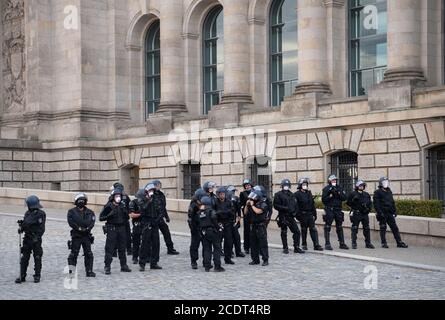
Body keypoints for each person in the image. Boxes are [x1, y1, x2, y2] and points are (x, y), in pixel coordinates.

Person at [99, 187, 132, 275]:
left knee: (122, 247)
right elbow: (101, 218)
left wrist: (126, 214)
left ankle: (123, 265)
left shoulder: (122, 205)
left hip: (121, 228)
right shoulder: (108, 206)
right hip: (112, 228)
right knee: (109, 248)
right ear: (113, 197)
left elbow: (127, 218)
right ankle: (107, 266)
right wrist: (109, 215)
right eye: (117, 196)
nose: (118, 197)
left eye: (119, 196)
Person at [15, 196, 46, 284]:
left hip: (36, 238)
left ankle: (37, 275)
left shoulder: (41, 214)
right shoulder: (27, 213)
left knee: (37, 257)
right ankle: (22, 275)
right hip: (27, 238)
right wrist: (21, 227)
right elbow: (26, 224)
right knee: (24, 258)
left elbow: (41, 228)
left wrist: (37, 236)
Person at [373, 177, 408, 249]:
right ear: (380, 184)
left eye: (387, 182)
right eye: (384, 182)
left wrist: (394, 211)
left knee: (395, 228)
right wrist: (380, 213)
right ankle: (384, 243)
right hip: (382, 213)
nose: (386, 183)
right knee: (383, 228)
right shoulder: (377, 192)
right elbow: (376, 204)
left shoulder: (389, 191)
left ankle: (399, 242)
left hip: (389, 213)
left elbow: (392, 202)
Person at [67, 193, 96, 277]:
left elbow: (92, 222)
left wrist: (87, 229)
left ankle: (89, 271)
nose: (81, 202)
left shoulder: (90, 212)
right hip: (76, 235)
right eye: (79, 201)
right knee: (73, 254)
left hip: (86, 236)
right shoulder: (71, 212)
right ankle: (72, 272)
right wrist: (79, 228)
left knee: (89, 253)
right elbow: (71, 222)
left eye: (83, 200)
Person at [273, 179, 304, 254]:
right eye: (285, 185)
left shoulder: (292, 194)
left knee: (297, 231)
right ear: (282, 186)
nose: (286, 187)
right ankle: (285, 248)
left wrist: (295, 212)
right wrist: (285, 208)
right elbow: (275, 205)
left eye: (287, 185)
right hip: (283, 216)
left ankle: (296, 247)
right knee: (284, 232)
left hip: (291, 216)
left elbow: (296, 205)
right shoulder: (278, 194)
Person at [139, 183, 163, 271]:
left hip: (154, 222)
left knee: (156, 243)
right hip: (146, 222)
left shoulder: (157, 199)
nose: (151, 192)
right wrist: (148, 201)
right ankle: (142, 263)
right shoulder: (143, 199)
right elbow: (142, 209)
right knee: (145, 243)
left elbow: (161, 210)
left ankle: (154, 262)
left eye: (152, 190)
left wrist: (157, 220)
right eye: (150, 190)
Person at [151, 180, 179, 255]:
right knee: (153, 236)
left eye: (159, 185)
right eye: (157, 185)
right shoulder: (151, 194)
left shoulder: (161, 194)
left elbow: (163, 207)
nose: (159, 186)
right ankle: (151, 251)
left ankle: (170, 249)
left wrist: (166, 217)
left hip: (160, 218)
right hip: (153, 218)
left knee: (166, 233)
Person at [294, 178, 323, 251]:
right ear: (300, 185)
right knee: (304, 229)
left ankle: (316, 244)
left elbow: (312, 205)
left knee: (313, 229)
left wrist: (314, 214)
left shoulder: (309, 193)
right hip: (302, 214)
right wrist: (298, 216)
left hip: (309, 214)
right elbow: (295, 206)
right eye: (303, 184)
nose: (305, 186)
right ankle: (304, 244)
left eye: (306, 184)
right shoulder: (297, 194)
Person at [322, 175, 349, 250]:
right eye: (333, 180)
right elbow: (324, 200)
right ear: (329, 181)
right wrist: (330, 195)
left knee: (339, 227)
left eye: (335, 180)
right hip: (330, 209)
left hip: (338, 209)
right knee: (327, 227)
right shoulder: (326, 189)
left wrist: (338, 193)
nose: (334, 181)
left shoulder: (339, 188)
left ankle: (342, 243)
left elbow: (344, 198)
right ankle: (327, 243)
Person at [199, 196, 225, 272]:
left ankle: (207, 266)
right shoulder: (211, 211)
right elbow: (214, 218)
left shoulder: (200, 212)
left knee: (207, 249)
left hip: (204, 232)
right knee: (217, 248)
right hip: (213, 231)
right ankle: (217, 266)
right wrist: (218, 227)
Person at [347, 180, 375, 249]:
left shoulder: (366, 194)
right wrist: (353, 200)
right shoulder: (353, 194)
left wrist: (368, 209)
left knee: (366, 228)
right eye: (360, 185)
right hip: (356, 213)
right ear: (357, 186)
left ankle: (368, 243)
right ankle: (354, 243)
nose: (361, 187)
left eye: (363, 185)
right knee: (354, 228)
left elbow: (370, 204)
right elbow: (348, 203)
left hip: (364, 214)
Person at [245, 190, 269, 266]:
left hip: (261, 226)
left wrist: (252, 206)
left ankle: (265, 260)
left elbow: (258, 211)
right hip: (253, 226)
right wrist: (247, 205)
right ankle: (255, 260)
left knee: (263, 243)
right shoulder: (252, 204)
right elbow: (245, 213)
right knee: (253, 244)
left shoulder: (263, 204)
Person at [215, 186, 235, 265]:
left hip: (227, 224)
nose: (221, 195)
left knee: (229, 242)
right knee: (217, 242)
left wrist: (223, 212)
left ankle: (228, 258)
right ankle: (217, 259)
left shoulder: (229, 202)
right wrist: (223, 212)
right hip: (219, 224)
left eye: (223, 194)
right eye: (220, 194)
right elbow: (215, 213)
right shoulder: (215, 202)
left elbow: (232, 212)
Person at [188, 188, 207, 269]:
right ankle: (194, 261)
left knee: (206, 245)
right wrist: (193, 229)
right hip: (196, 227)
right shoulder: (193, 205)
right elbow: (190, 218)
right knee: (194, 246)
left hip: (204, 227)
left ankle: (206, 261)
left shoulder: (205, 204)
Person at [112, 182, 132, 256]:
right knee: (127, 235)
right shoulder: (125, 196)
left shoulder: (113, 196)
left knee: (115, 235)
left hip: (117, 220)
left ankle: (114, 251)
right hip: (124, 218)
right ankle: (129, 250)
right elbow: (130, 206)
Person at [226, 185, 245, 258]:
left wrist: (239, 219)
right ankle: (229, 252)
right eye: (232, 191)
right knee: (228, 238)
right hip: (227, 221)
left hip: (234, 221)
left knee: (237, 237)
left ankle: (238, 251)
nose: (233, 193)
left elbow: (238, 209)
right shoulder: (224, 199)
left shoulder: (236, 198)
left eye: (234, 191)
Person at [129, 189, 145, 264]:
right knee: (136, 242)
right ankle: (135, 257)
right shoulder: (133, 203)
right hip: (137, 224)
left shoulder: (146, 202)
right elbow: (132, 215)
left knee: (146, 242)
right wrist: (141, 214)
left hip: (145, 224)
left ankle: (145, 257)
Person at [240, 179, 253, 254]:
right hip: (247, 214)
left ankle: (253, 246)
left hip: (254, 213)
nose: (247, 186)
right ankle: (246, 247)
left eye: (248, 185)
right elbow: (241, 204)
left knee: (253, 231)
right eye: (246, 185)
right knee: (247, 231)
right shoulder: (243, 193)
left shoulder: (254, 192)